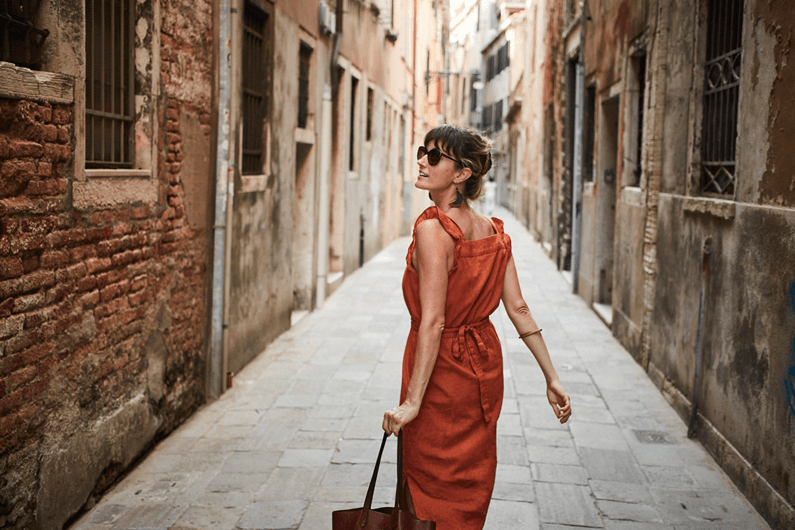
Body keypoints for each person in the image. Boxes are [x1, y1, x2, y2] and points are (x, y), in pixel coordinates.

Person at [382, 125, 571, 530]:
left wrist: (413, 401)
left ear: (462, 173)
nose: (421, 161)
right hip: (482, 368)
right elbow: (518, 307)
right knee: (469, 482)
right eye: (422, 151)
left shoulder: (434, 229)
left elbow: (434, 321)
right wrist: (551, 377)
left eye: (434, 157)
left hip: (441, 373)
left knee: (430, 482)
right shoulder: (493, 232)